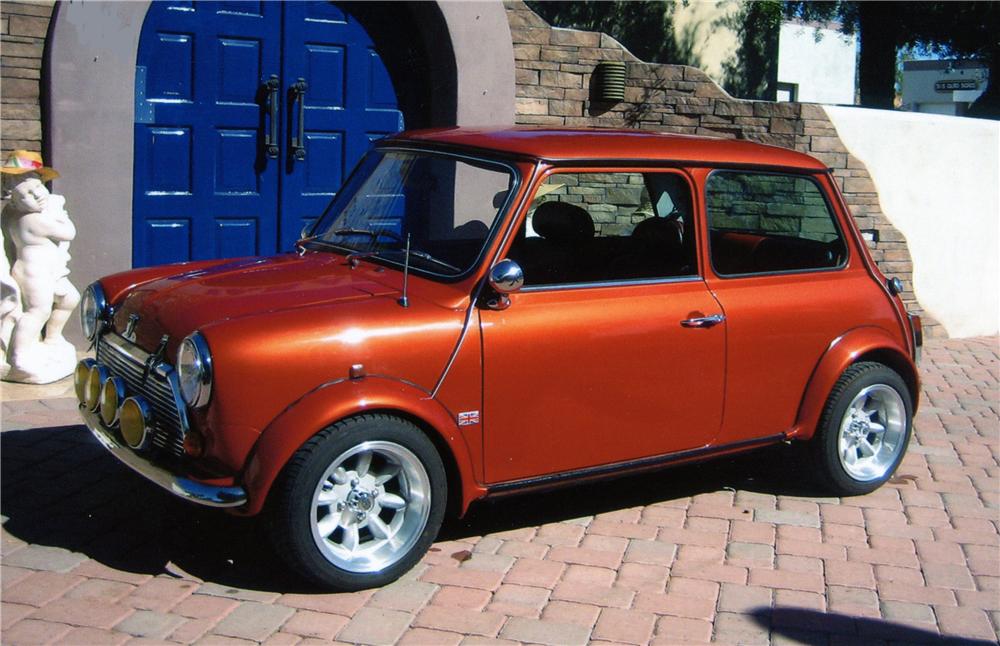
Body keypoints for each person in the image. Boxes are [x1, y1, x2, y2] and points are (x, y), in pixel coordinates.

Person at [1, 151, 79, 382]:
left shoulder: (12, 213)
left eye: (39, 188)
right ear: (14, 200)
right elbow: (68, 233)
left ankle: (53, 338)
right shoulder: (33, 219)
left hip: (49, 271)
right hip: (34, 272)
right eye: (27, 194)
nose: (38, 196)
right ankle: (19, 356)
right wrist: (61, 213)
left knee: (69, 298)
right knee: (38, 310)